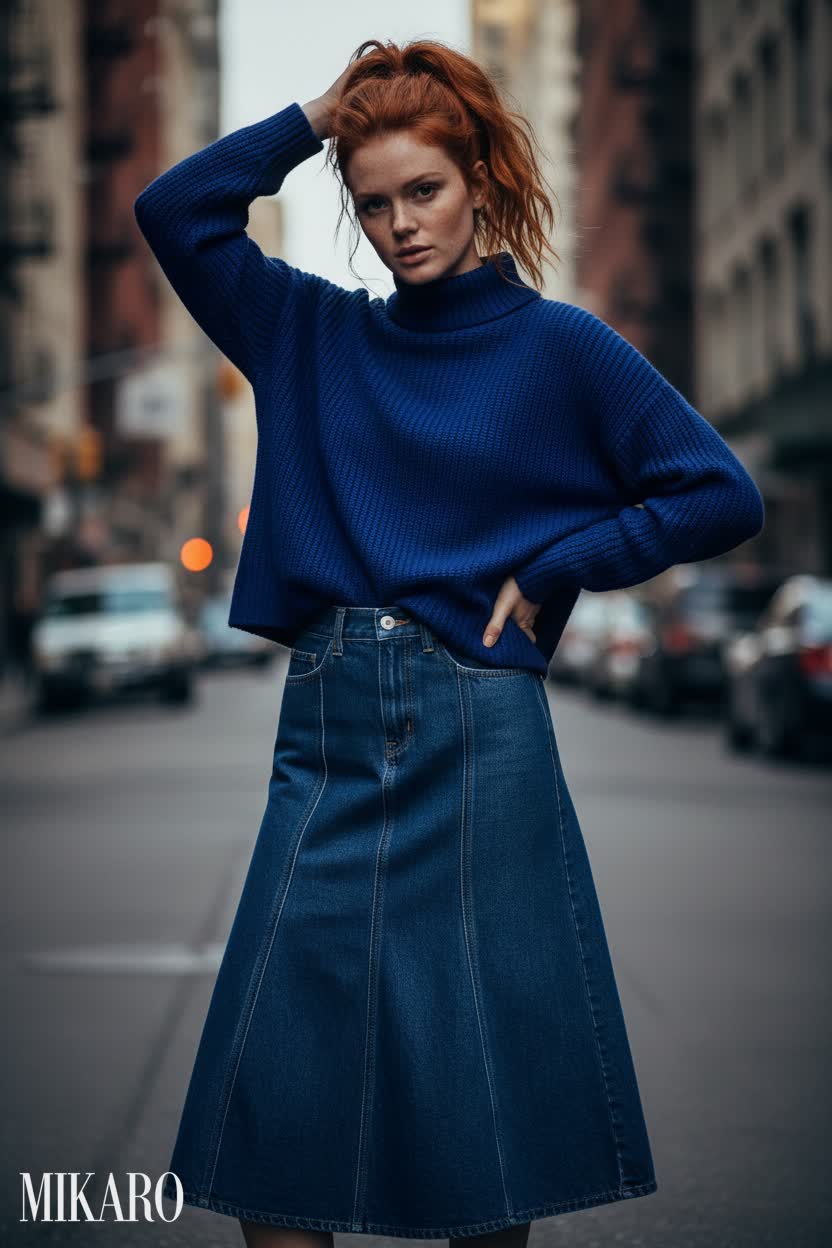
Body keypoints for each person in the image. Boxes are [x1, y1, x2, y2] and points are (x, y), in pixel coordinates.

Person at [134, 37, 764, 1248]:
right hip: (326, 731)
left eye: (422, 190)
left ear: (477, 177)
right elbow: (175, 210)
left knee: (485, 1117)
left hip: (482, 728)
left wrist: (560, 565)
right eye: (371, 203)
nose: (398, 225)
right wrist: (321, 114)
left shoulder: (560, 349)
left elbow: (716, 492)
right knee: (277, 1106)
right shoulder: (306, 333)